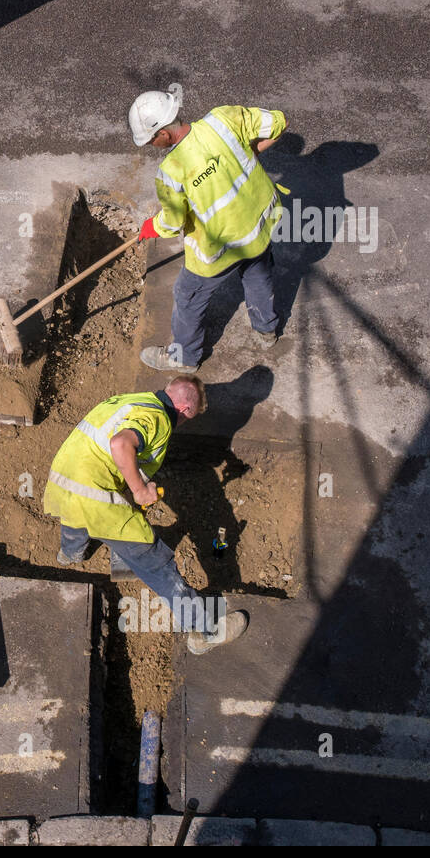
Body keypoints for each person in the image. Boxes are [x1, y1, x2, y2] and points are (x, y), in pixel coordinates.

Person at [42, 375, 248, 653]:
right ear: (186, 411)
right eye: (191, 418)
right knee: (155, 562)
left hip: (64, 475)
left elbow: (109, 445)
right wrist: (138, 490)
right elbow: (120, 445)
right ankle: (204, 631)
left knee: (76, 512)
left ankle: (70, 554)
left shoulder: (133, 401)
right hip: (95, 495)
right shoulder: (159, 420)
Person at [129, 89, 287, 374]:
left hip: (220, 250)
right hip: (259, 226)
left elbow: (173, 222)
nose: (151, 145)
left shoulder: (172, 171)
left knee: (187, 295)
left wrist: (154, 226)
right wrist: (250, 152)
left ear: (163, 133)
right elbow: (278, 123)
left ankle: (184, 357)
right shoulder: (223, 119)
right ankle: (266, 331)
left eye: (151, 139)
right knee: (257, 275)